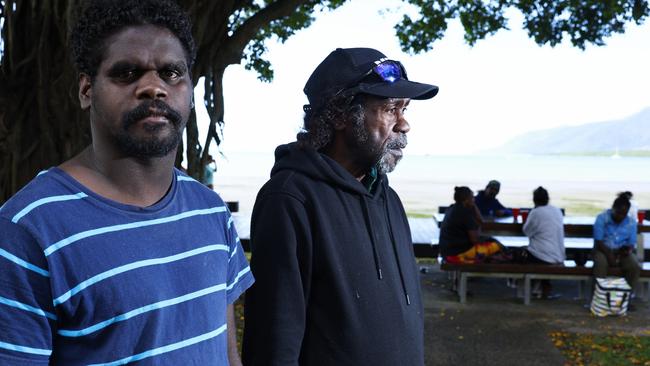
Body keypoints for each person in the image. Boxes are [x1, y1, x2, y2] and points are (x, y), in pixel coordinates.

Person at [0, 1, 253, 364]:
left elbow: (227, 352)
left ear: (190, 92)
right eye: (127, 73)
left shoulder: (209, 210)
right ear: (86, 91)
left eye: (171, 73)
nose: (153, 87)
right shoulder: (27, 230)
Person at [242, 47, 438, 365]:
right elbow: (273, 343)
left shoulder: (389, 199)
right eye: (391, 109)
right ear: (339, 115)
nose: (404, 126)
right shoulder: (290, 200)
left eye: (405, 109)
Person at [439, 186, 503, 264]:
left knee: (490, 243)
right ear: (467, 199)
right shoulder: (465, 213)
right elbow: (475, 239)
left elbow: (481, 222)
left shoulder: (451, 208)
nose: (474, 199)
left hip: (446, 251)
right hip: (457, 254)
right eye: (472, 197)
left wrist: (473, 206)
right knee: (496, 246)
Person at [522, 187, 565, 297]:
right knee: (539, 251)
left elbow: (526, 231)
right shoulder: (557, 211)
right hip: (559, 256)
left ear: (534, 200)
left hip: (544, 258)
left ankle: (532, 290)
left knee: (523, 255)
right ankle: (543, 288)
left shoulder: (536, 212)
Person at [592, 196, 640, 293]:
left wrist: (627, 250)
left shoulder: (631, 222)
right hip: (602, 250)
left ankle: (626, 298)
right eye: (618, 213)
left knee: (634, 266)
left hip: (621, 251)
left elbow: (631, 243)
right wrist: (610, 255)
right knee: (600, 265)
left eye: (624, 214)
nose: (621, 217)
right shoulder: (602, 218)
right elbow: (598, 242)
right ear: (613, 208)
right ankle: (599, 297)